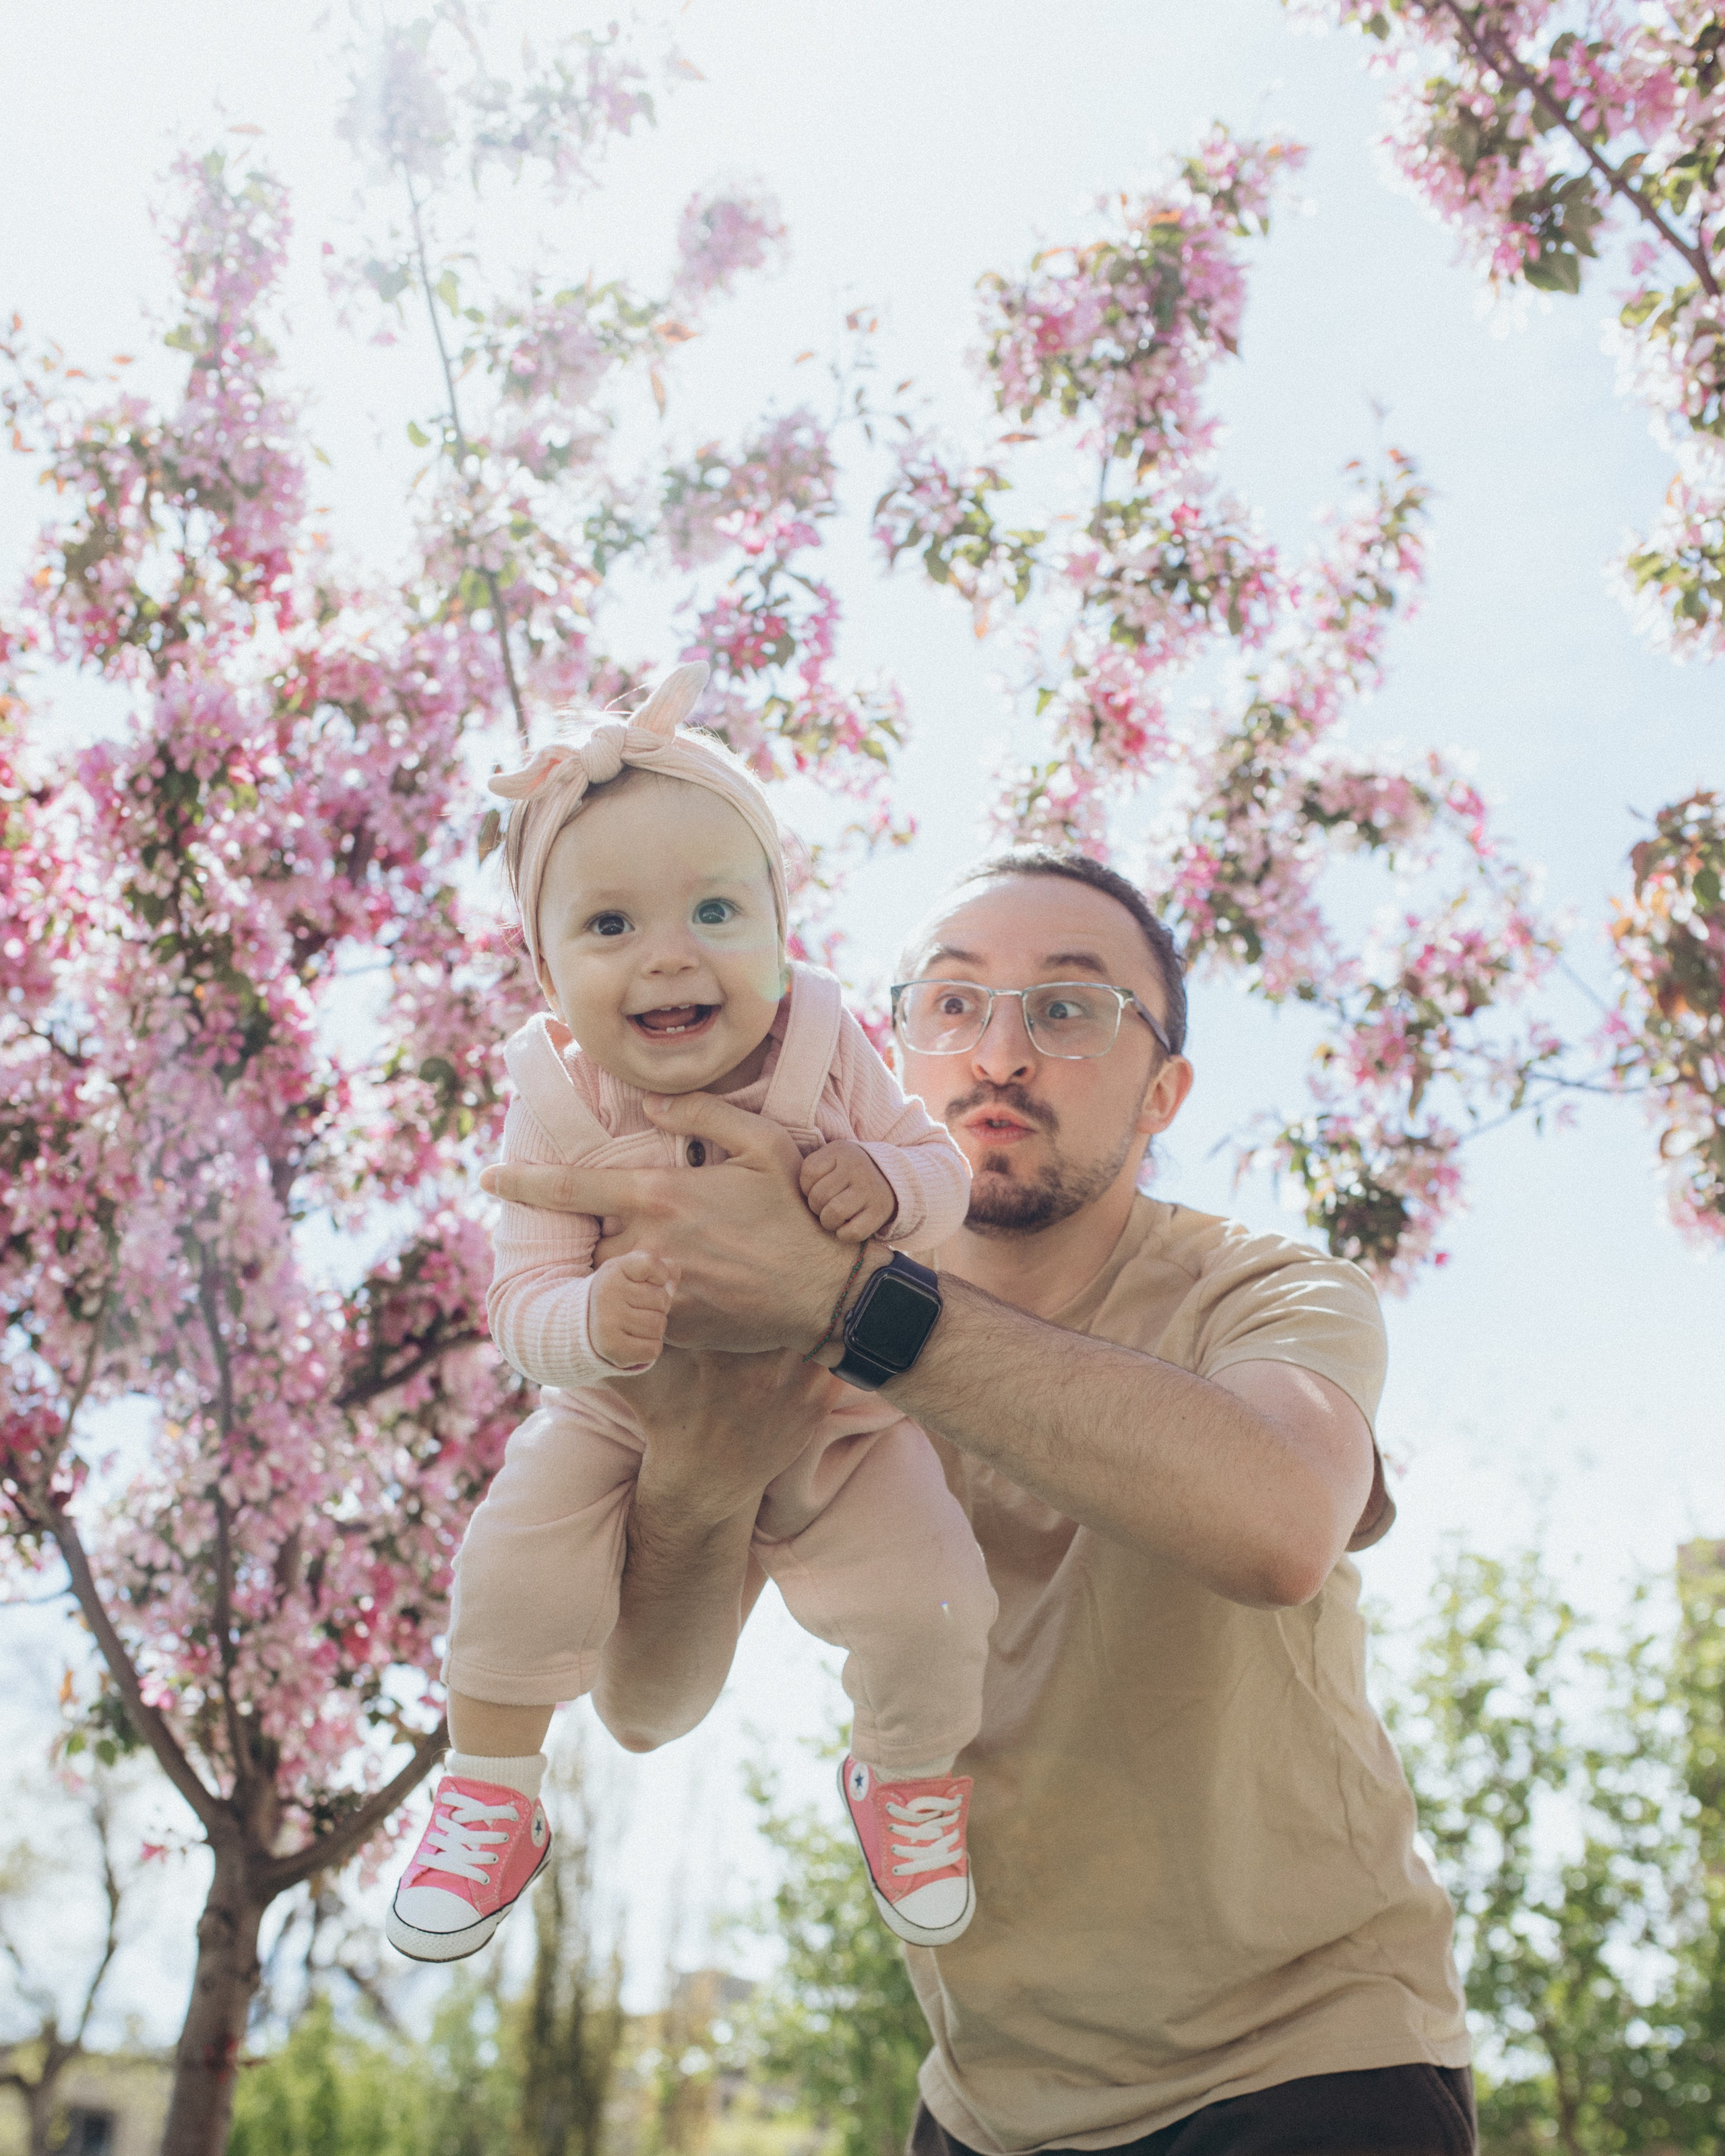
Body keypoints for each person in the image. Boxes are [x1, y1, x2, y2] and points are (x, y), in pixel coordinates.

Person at [481, 845, 1477, 2156]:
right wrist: (704, 1473)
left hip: (1303, 2064)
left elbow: (1281, 1520)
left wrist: (854, 1306)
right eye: (950, 1002)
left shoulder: (1268, 1293)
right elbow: (646, 1701)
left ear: (1161, 1086)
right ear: (891, 1048)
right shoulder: (786, 1308)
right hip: (985, 2106)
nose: (997, 1051)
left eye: (1067, 1009)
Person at [386, 666, 996, 1967]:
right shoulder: (556, 1105)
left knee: (937, 1597)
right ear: (545, 973)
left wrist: (883, 1181)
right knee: (509, 1565)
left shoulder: (832, 1049)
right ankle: (491, 1794)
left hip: (843, 1417)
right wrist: (595, 1322)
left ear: (784, 930)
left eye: (716, 908)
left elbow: (942, 1179)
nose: (669, 951)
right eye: (610, 925)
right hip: (621, 1415)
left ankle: (908, 1778)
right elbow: (520, 1302)